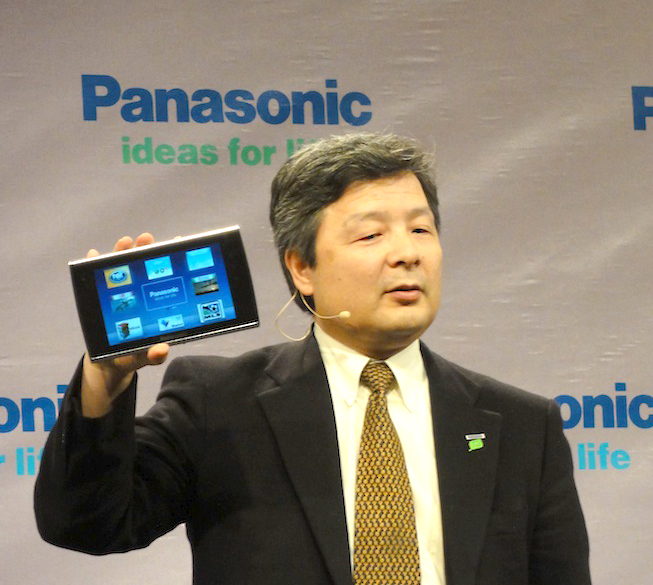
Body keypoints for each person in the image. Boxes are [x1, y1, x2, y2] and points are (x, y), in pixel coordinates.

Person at [34, 132, 591, 584]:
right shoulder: (218, 403)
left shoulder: (522, 425)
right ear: (302, 268)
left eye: (421, 229)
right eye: (371, 235)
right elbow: (86, 524)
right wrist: (104, 380)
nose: (407, 253)